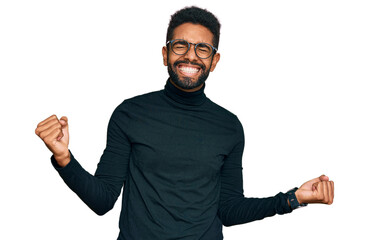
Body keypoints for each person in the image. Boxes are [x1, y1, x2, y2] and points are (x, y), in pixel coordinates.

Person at [35, 6, 334, 240]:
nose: (190, 55)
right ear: (165, 54)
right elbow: (102, 200)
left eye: (202, 49)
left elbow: (228, 210)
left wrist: (292, 199)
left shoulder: (229, 127)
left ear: (214, 61)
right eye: (180, 46)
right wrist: (64, 158)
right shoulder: (130, 113)